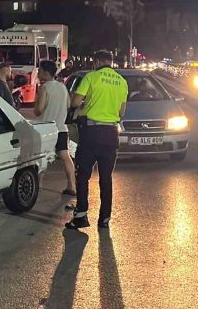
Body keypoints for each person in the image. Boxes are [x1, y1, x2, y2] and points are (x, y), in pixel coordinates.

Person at [66, 50, 128, 230]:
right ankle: (105, 218)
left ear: (98, 62)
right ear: (111, 62)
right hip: (111, 134)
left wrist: (86, 105)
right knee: (106, 178)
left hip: (91, 133)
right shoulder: (122, 82)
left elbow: (75, 102)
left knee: (83, 175)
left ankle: (81, 216)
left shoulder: (91, 77)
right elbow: (121, 113)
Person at [34, 60, 77, 197]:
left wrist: (36, 108)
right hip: (61, 128)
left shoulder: (44, 87)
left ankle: (38, 185)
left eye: (40, 71)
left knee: (42, 156)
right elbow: (69, 104)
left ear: (46, 73)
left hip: (46, 129)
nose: (38, 73)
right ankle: (72, 186)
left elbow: (39, 110)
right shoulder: (62, 87)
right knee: (65, 156)